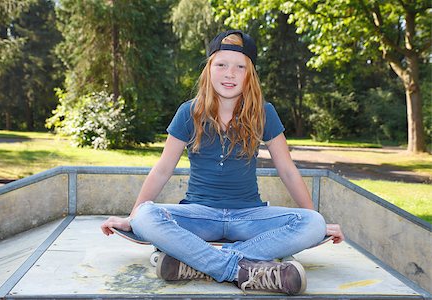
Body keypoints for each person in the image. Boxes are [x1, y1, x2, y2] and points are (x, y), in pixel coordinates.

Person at [101, 29, 344, 295]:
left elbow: (287, 170)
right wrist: (134, 217)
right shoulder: (189, 112)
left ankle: (196, 262)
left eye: (240, 67)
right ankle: (240, 269)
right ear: (209, 69)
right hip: (198, 215)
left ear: (249, 75)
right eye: (222, 65)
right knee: (147, 215)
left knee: (313, 223)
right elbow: (162, 170)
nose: (230, 73)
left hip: (249, 217)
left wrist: (313, 218)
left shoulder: (264, 112)